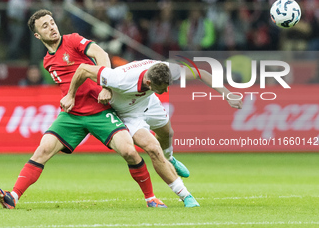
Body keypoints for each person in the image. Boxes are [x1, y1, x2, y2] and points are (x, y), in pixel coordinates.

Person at [0, 9, 166, 209]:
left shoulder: (73, 40)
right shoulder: (47, 62)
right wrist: (68, 99)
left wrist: (107, 87)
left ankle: (151, 198)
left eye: (52, 22)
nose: (52, 27)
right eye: (45, 26)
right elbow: (68, 86)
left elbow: (101, 53)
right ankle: (13, 196)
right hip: (72, 115)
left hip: (100, 111)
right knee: (43, 150)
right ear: (37, 35)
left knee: (129, 151)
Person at [60, 60, 243, 207]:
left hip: (148, 103)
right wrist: (71, 95)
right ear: (149, 82)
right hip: (127, 114)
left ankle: (170, 158)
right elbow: (83, 69)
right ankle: (185, 195)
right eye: (163, 87)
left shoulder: (166, 70)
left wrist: (227, 95)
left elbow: (202, 72)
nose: (166, 91)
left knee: (168, 134)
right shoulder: (119, 78)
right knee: (153, 148)